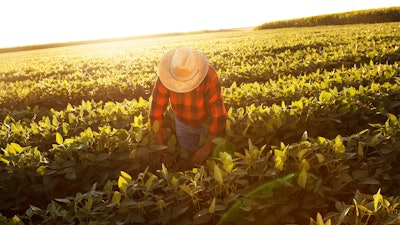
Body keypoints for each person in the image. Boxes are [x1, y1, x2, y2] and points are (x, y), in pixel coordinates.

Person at [149, 47, 227, 168]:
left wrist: (206, 148)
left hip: (207, 124)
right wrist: (161, 147)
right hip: (183, 124)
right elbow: (155, 115)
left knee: (210, 163)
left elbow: (219, 116)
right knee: (189, 162)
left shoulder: (209, 76)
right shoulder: (164, 77)